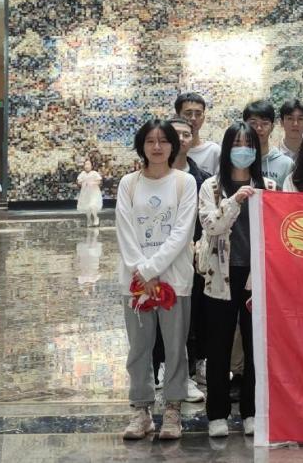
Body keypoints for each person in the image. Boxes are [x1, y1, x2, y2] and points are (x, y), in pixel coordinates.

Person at [115, 119, 197, 441]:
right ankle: (141, 410)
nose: (157, 147)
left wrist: (152, 269)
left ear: (173, 146)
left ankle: (173, 409)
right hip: (135, 282)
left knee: (176, 347)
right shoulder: (128, 183)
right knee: (139, 347)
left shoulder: (185, 182)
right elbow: (124, 229)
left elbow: (182, 232)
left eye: (164, 141)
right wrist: (142, 271)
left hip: (174, 279)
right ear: (142, 146)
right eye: (150, 141)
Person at [196, 121, 270, 438]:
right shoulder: (211, 187)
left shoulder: (268, 185)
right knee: (219, 344)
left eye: (249, 144)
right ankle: (217, 413)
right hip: (220, 274)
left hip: (258, 276)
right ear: (227, 148)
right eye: (237, 143)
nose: (243, 150)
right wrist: (234, 201)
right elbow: (211, 226)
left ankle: (252, 411)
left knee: (256, 346)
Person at [165, 116, 210, 403]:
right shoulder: (152, 176)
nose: (182, 139)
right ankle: (164, 368)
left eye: (186, 134)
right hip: (160, 258)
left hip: (193, 258)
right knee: (161, 313)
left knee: (193, 317)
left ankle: (191, 370)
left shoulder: (202, 178)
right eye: (175, 134)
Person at [242, 100, 294, 185]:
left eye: (265, 123)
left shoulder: (286, 164)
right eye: (253, 123)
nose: (259, 128)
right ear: (244, 126)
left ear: (272, 127)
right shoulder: (238, 160)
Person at [175, 92, 220, 177]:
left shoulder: (213, 151)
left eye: (198, 114)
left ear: (203, 118)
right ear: (177, 116)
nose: (193, 118)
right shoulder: (168, 150)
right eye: (188, 113)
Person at [76, 156, 103, 226]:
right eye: (86, 164)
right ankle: (89, 219)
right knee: (87, 207)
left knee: (92, 205)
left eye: (88, 164)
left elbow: (99, 181)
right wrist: (81, 183)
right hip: (85, 193)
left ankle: (96, 218)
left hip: (94, 193)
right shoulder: (82, 173)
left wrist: (93, 183)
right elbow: (79, 181)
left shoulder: (94, 173)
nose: (87, 166)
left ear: (91, 166)